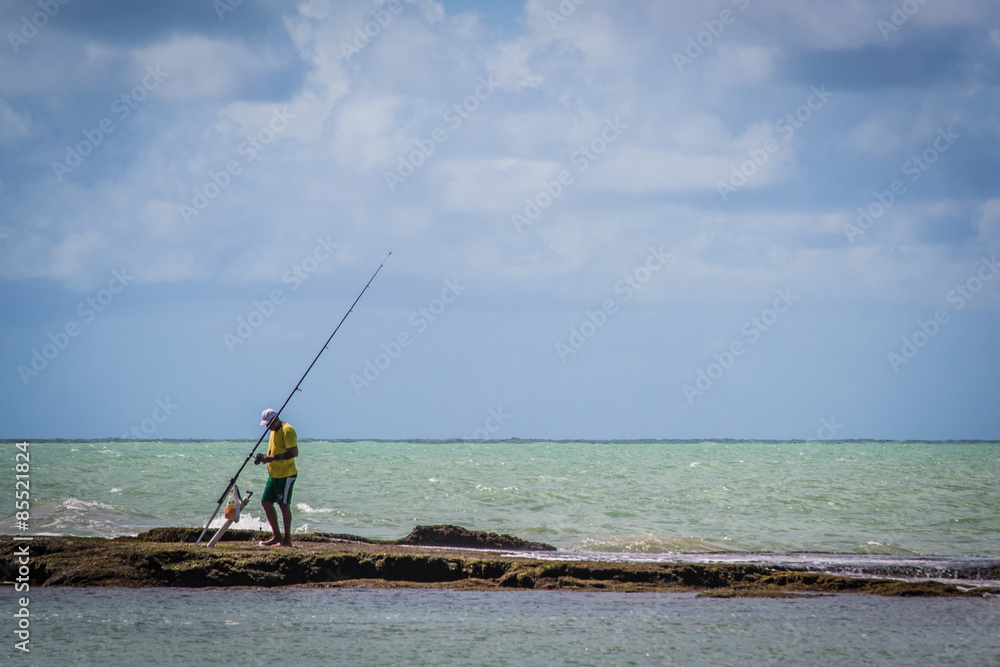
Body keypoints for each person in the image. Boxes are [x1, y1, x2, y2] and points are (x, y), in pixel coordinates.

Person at [258, 408, 298, 547]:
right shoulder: (273, 431)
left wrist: (272, 458)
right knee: (266, 503)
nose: (267, 427)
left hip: (286, 475)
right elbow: (274, 451)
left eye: (269, 424)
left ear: (276, 419)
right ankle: (277, 536)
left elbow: (293, 452)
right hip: (273, 475)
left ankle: (287, 539)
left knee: (284, 505)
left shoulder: (287, 430)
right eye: (266, 425)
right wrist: (265, 457)